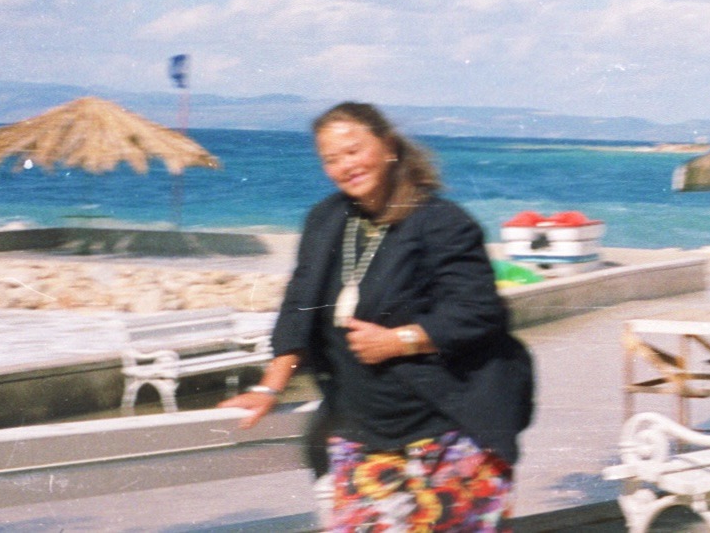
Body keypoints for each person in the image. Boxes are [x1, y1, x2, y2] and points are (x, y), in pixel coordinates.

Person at [222, 102, 534, 532]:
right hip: (361, 435)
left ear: (387, 146)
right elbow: (298, 306)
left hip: (449, 433)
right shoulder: (327, 219)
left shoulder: (442, 222)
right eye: (331, 159)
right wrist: (269, 386)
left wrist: (400, 340)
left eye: (353, 151)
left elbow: (479, 311)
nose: (344, 166)